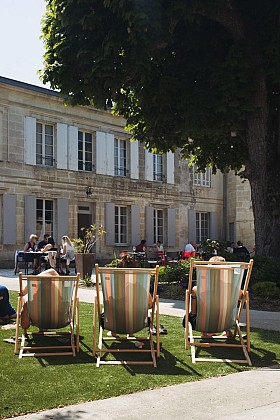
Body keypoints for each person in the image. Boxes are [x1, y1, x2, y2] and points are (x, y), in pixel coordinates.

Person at [183, 256, 236, 338]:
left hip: (203, 323)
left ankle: (204, 333)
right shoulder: (230, 288)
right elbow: (241, 296)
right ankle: (227, 331)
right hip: (225, 322)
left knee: (192, 315)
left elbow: (193, 313)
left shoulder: (198, 289)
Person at [19, 268, 59, 333]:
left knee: (25, 299)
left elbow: (24, 326)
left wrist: (24, 292)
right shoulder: (59, 300)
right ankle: (43, 328)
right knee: (52, 271)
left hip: (37, 319)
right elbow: (52, 271)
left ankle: (41, 327)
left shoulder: (30, 303)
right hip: (58, 320)